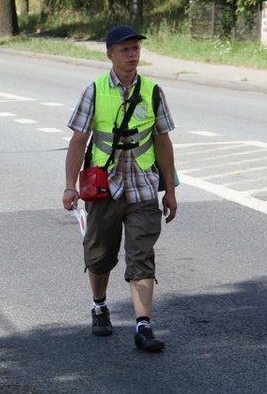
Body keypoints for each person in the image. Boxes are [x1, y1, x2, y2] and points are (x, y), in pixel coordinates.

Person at [62, 25, 177, 352]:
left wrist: (169, 190)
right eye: (125, 49)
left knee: (142, 255)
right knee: (99, 255)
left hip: (142, 186)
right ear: (110, 54)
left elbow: (164, 142)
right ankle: (99, 305)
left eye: (136, 49)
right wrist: (70, 186)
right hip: (104, 187)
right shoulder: (95, 91)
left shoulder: (153, 91)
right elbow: (77, 141)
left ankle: (143, 326)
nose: (132, 54)